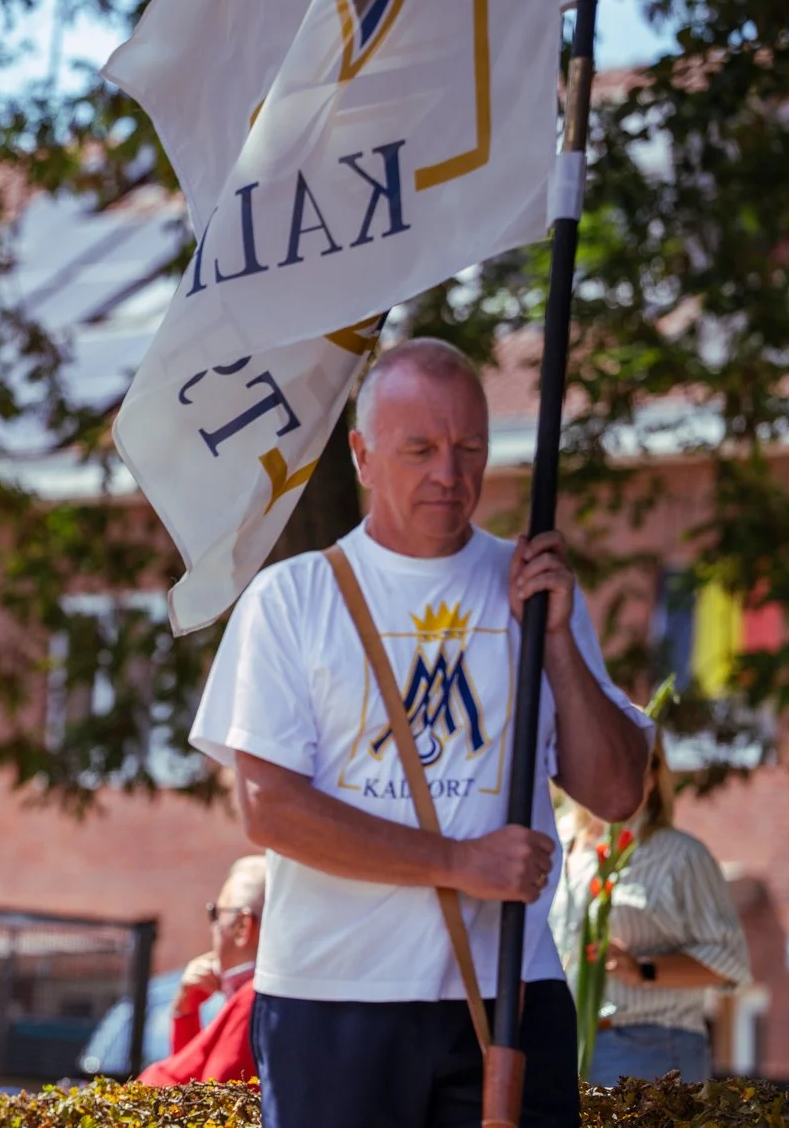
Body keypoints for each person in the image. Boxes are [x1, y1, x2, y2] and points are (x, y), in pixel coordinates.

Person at [194, 340, 653, 1128]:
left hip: (509, 990)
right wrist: (459, 863)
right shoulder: (292, 599)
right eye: (421, 449)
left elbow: (616, 791)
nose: (450, 471)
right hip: (334, 996)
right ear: (363, 455)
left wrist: (557, 644)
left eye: (469, 446)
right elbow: (271, 810)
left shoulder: (536, 589)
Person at [551, 737, 752, 1084]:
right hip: (559, 1045)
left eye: (636, 764)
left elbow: (730, 963)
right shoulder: (558, 845)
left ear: (653, 776)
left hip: (647, 1045)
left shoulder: (681, 856)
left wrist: (643, 969)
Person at [139, 855, 265, 1087]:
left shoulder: (255, 996)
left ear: (242, 927)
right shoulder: (254, 994)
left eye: (216, 914)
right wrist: (185, 1014)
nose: (212, 927)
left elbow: (199, 1097)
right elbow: (196, 1084)